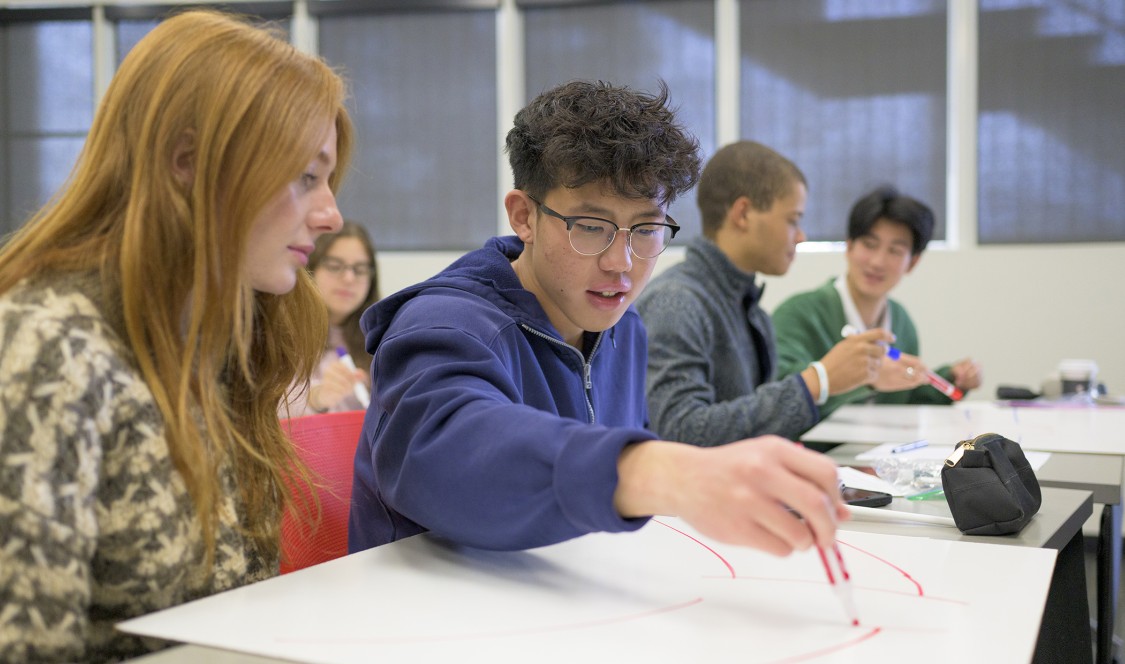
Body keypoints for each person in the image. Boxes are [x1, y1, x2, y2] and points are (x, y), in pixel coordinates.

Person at [348, 81, 848, 559]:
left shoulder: (623, 329)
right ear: (524, 216)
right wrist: (663, 474)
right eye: (590, 226)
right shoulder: (445, 325)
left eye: (647, 228)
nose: (622, 262)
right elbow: (451, 454)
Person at [0, 10, 351, 662]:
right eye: (305, 177)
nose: (330, 213)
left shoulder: (227, 339)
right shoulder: (48, 350)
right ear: (188, 163)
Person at [634, 141, 892, 446]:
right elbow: (679, 432)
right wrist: (816, 381)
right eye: (793, 219)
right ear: (743, 214)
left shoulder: (750, 309)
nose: (801, 235)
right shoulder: (677, 302)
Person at [772, 185, 982, 417]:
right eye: (869, 245)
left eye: (895, 251)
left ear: (912, 262)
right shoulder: (799, 314)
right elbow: (778, 392)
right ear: (849, 246)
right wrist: (866, 378)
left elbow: (904, 404)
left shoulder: (901, 323)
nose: (877, 262)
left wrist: (951, 377)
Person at [282, 221, 380, 416]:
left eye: (359, 269)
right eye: (335, 266)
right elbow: (266, 410)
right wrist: (317, 397)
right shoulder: (281, 332)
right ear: (310, 268)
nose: (349, 279)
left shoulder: (380, 338)